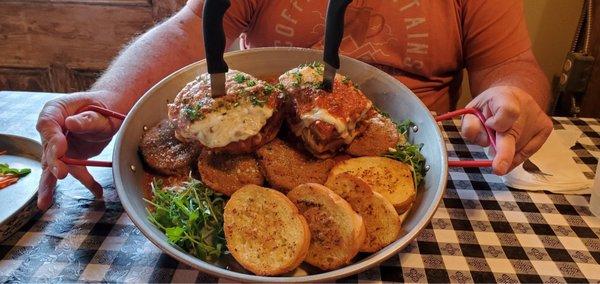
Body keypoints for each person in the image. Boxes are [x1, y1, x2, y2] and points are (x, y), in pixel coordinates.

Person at [35, 0, 552, 210]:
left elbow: (511, 64)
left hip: (418, 159)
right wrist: (109, 101)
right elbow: (190, 29)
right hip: (252, 118)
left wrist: (517, 98)